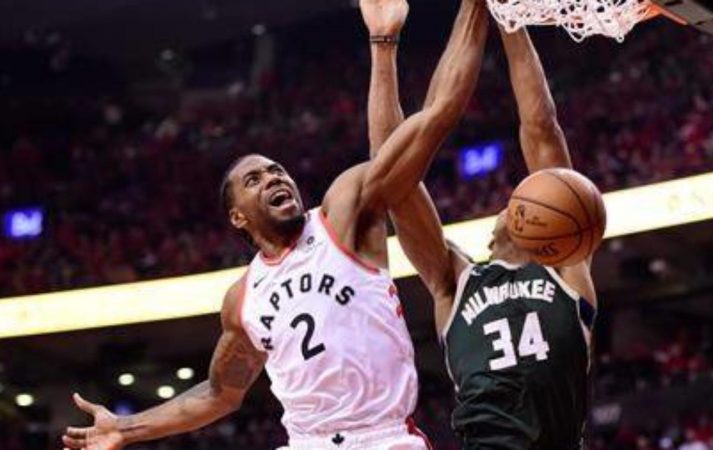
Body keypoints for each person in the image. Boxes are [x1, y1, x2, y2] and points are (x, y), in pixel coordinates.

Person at [60, 0, 488, 449]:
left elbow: (420, 129)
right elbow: (220, 393)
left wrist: (385, 44)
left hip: (382, 438)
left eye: (277, 170)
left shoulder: (341, 218)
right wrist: (125, 429)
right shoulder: (242, 299)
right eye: (254, 178)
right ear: (237, 216)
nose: (274, 177)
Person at [370, 25, 599, 450]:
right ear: (493, 233)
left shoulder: (565, 263)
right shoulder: (453, 281)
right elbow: (393, 173)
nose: (515, 201)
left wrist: (510, 20)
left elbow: (541, 127)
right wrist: (383, 47)